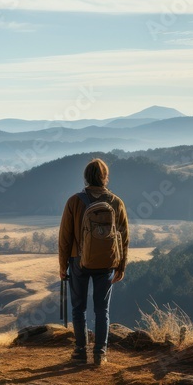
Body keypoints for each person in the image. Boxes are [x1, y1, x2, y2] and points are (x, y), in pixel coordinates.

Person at [57, 157, 129, 367]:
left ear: (86, 177)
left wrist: (63, 266)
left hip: (78, 260)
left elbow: (65, 237)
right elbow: (123, 237)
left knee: (79, 308)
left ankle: (80, 352)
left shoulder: (74, 201)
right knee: (102, 310)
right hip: (107, 262)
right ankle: (100, 354)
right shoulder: (116, 202)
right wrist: (121, 265)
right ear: (105, 178)